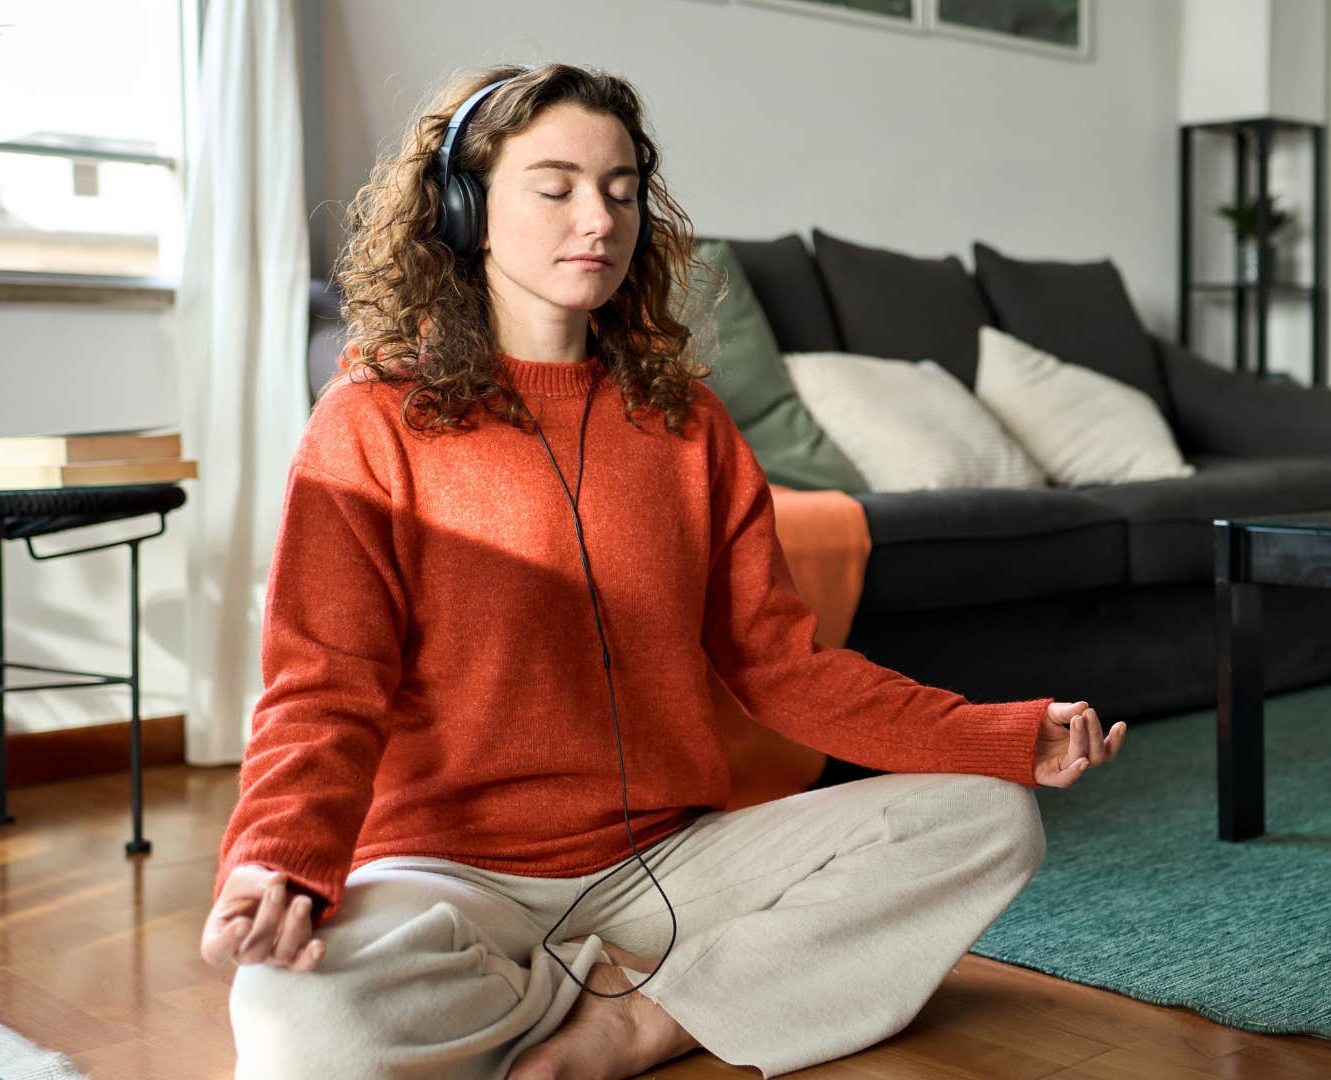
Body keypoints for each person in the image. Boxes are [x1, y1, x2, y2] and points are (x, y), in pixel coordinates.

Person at [199, 62, 1126, 1080]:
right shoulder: (371, 422)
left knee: (988, 818)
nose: (596, 217)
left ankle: (643, 1019)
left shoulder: (688, 424)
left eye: (623, 189)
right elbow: (323, 682)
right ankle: (656, 983)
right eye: (554, 188)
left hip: (669, 863)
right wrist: (278, 858)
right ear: (466, 209)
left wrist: (994, 736)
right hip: (446, 874)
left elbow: (784, 668)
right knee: (292, 1015)